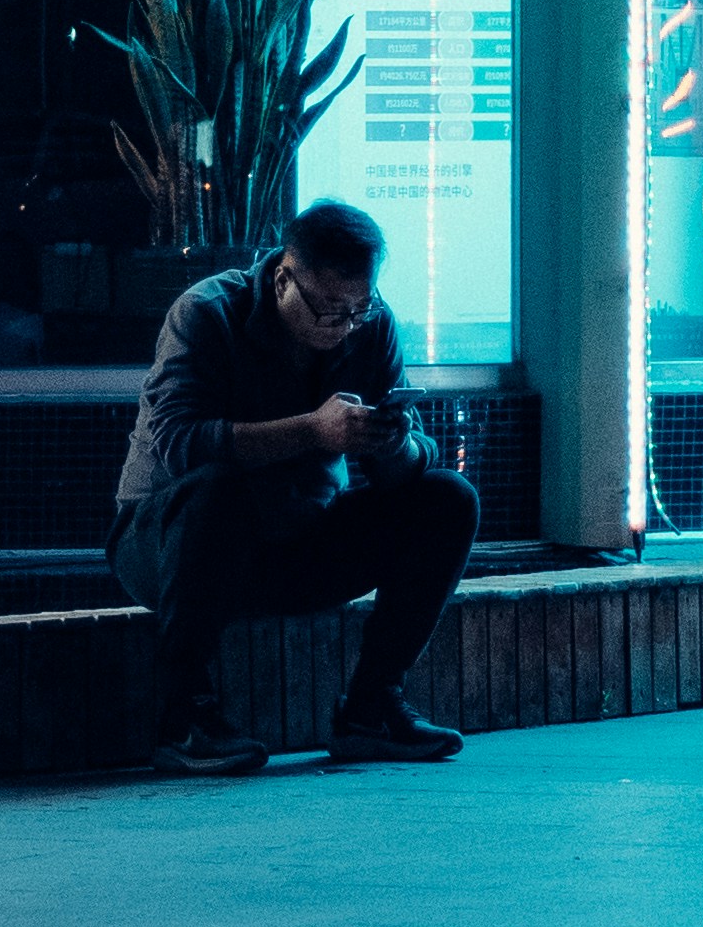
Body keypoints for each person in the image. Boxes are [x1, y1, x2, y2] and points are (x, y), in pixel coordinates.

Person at [111, 197, 476, 776]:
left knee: (448, 498)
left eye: (359, 307)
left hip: (296, 541)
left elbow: (414, 460)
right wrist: (314, 431)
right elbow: (179, 444)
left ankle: (370, 710)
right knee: (220, 490)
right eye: (330, 309)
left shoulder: (370, 325)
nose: (344, 325)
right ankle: (185, 719)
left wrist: (393, 446)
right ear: (284, 277)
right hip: (167, 546)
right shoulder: (207, 312)